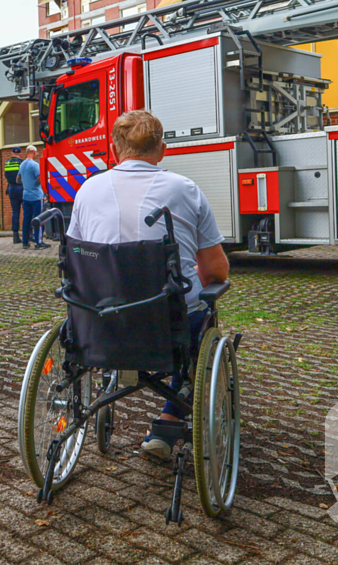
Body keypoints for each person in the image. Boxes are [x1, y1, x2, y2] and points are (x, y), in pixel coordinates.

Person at [66, 111, 229, 460]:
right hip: (167, 327)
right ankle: (169, 420)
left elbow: (76, 259)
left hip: (99, 325)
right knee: (202, 310)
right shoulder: (185, 189)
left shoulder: (87, 190)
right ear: (162, 150)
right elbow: (216, 271)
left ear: (114, 150)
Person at [18, 145, 48, 250]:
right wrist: (45, 192)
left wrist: (26, 182)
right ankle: (38, 242)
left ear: (27, 153)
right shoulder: (35, 165)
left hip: (26, 196)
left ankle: (25, 242)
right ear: (34, 153)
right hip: (36, 196)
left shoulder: (22, 165)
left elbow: (18, 179)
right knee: (38, 219)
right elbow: (40, 180)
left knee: (26, 219)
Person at [4, 147, 24, 244]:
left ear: (11, 153)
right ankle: (28, 234)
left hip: (12, 189)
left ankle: (15, 236)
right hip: (22, 188)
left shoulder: (6, 163)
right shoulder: (22, 163)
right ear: (20, 154)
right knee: (26, 212)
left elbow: (6, 176)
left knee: (15, 212)